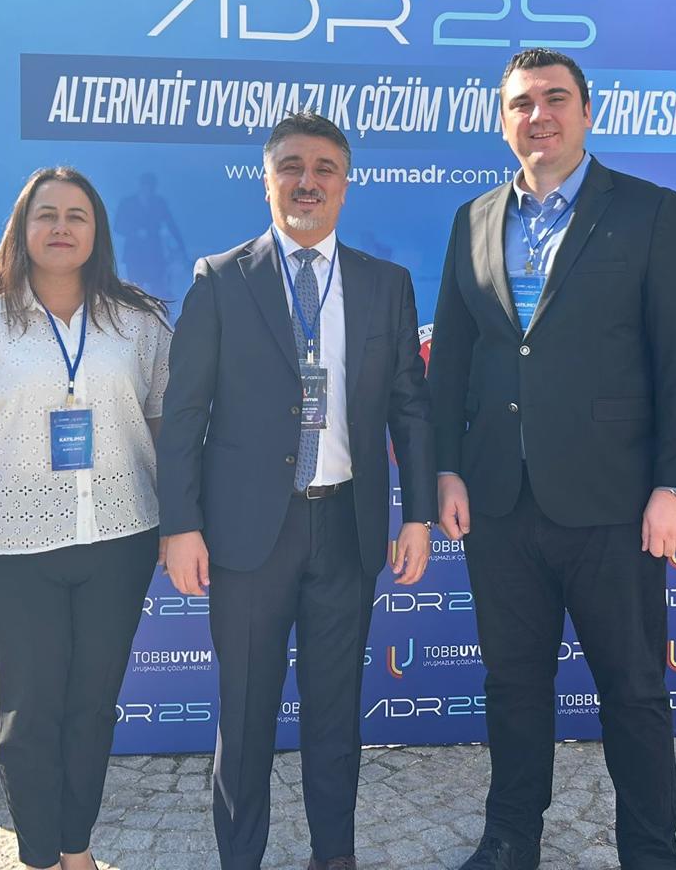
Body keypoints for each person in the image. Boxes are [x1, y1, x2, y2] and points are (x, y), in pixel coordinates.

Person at [429, 49, 676, 870]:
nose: (539, 115)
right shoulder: (473, 219)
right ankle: (510, 840)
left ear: (588, 112)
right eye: (521, 103)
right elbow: (453, 358)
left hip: (615, 504)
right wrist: (446, 467)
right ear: (503, 121)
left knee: (634, 690)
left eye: (556, 98)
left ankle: (651, 853)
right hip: (499, 501)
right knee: (513, 686)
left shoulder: (650, 211)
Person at [158, 111, 435, 870]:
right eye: (291, 167)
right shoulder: (221, 279)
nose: (307, 182)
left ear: (345, 185)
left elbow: (410, 408)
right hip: (249, 535)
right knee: (246, 715)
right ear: (267, 179)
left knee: (336, 714)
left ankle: (333, 857)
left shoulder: (385, 285)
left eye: (324, 169)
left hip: (347, 529)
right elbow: (184, 413)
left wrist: (417, 516)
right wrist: (180, 524)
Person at [0, 166, 171, 870]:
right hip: (8, 549)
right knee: (28, 714)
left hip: (119, 540)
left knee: (93, 708)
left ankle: (76, 850)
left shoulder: (139, 323)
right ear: (22, 230)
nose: (61, 227)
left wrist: (180, 524)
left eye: (76, 215)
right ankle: (38, 857)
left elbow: (166, 427)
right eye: (46, 214)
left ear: (97, 232)